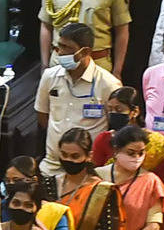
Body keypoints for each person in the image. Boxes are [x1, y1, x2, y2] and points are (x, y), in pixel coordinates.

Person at [35, 22, 122, 174]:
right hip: (52, 165)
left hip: (89, 169)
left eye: (67, 48)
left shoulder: (109, 84)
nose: (60, 53)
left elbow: (114, 129)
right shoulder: (49, 76)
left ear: (85, 51)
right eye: (59, 46)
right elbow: (42, 117)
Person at [48, 128, 123, 230]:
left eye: (75, 156)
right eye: (64, 155)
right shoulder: (49, 184)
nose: (68, 160)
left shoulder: (101, 191)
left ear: (88, 156)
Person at [92, 88, 164, 179]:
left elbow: (162, 177)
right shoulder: (104, 139)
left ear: (135, 112)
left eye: (119, 109)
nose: (113, 114)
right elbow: (96, 175)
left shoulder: (154, 143)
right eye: (110, 110)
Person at [0, 156, 73, 230]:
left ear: (34, 180)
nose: (11, 184)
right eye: (7, 181)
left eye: (16, 180)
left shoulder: (55, 212)